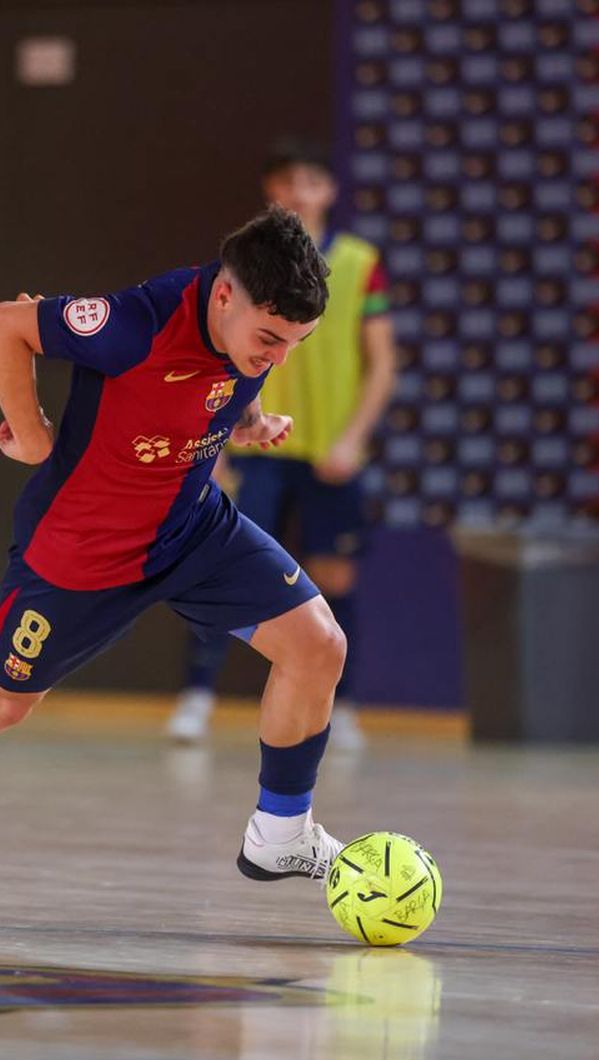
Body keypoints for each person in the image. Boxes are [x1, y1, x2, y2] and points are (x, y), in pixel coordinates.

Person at [0, 207, 349, 890]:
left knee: (318, 644)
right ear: (225, 294)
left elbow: (235, 378)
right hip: (82, 550)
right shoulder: (134, 322)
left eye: (296, 343)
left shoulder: (249, 335)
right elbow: (3, 325)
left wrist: (255, 421)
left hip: (191, 526)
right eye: (271, 337)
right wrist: (30, 437)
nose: (277, 355)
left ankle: (280, 836)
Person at [168, 141, 395, 748]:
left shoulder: (358, 261)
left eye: (313, 181)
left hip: (330, 453)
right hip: (254, 446)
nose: (300, 193)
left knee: (334, 578)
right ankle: (197, 698)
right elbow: (212, 359)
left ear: (331, 191)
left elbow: (383, 363)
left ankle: (339, 709)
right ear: (271, 190)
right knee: (221, 568)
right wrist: (212, 450)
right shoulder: (243, 266)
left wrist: (353, 439)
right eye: (288, 182)